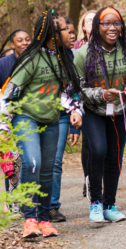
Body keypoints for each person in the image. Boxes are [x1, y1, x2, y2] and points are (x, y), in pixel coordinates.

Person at [2, 10, 83, 238]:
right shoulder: (30, 58)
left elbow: (69, 91)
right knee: (33, 163)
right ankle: (29, 219)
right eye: (63, 29)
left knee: (47, 171)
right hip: (26, 117)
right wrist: (2, 125)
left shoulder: (63, 58)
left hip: (51, 120)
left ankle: (44, 219)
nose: (68, 32)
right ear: (52, 33)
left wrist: (75, 111)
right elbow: (10, 93)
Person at [74, 7, 126, 223]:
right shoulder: (83, 53)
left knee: (115, 156)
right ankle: (95, 202)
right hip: (94, 110)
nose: (112, 28)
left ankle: (109, 205)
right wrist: (102, 94)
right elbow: (77, 88)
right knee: (99, 151)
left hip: (120, 110)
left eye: (117, 23)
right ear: (97, 27)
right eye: (107, 24)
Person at [49, 18, 80, 222]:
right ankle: (30, 202)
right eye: (66, 31)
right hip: (37, 116)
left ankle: (52, 206)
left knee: (56, 162)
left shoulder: (69, 54)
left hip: (61, 116)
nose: (71, 35)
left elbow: (73, 87)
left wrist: (74, 122)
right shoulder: (35, 56)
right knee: (36, 162)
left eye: (71, 31)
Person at [73, 10, 96, 196]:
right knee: (88, 143)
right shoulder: (76, 48)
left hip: (105, 100)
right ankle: (88, 179)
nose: (94, 23)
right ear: (83, 25)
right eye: (90, 20)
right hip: (83, 102)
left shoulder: (110, 45)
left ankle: (99, 179)